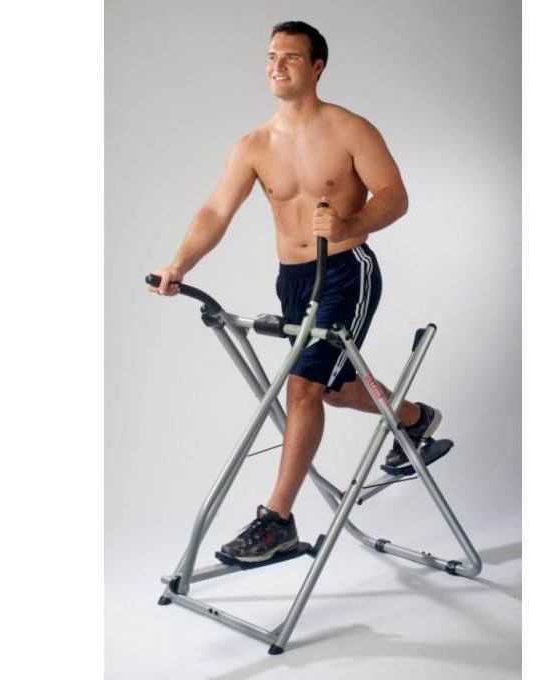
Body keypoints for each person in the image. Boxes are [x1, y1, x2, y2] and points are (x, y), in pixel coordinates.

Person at [148, 21, 442, 564]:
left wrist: (351, 222)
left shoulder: (350, 129)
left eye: (290, 57)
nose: (276, 66)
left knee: (303, 387)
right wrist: (179, 264)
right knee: (332, 389)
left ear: (317, 66)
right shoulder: (254, 146)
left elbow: (394, 196)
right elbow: (216, 210)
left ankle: (277, 520)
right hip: (293, 280)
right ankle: (413, 418)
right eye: (270, 57)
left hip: (346, 270)